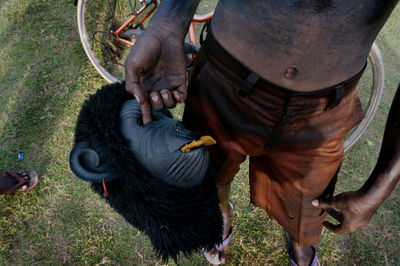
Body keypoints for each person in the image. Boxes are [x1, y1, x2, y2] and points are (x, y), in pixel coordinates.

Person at [124, 1, 400, 265]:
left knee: (308, 204)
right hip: (224, 75)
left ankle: (300, 242)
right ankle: (220, 217)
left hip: (324, 108)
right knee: (208, 172)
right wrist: (168, 22)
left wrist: (380, 186)